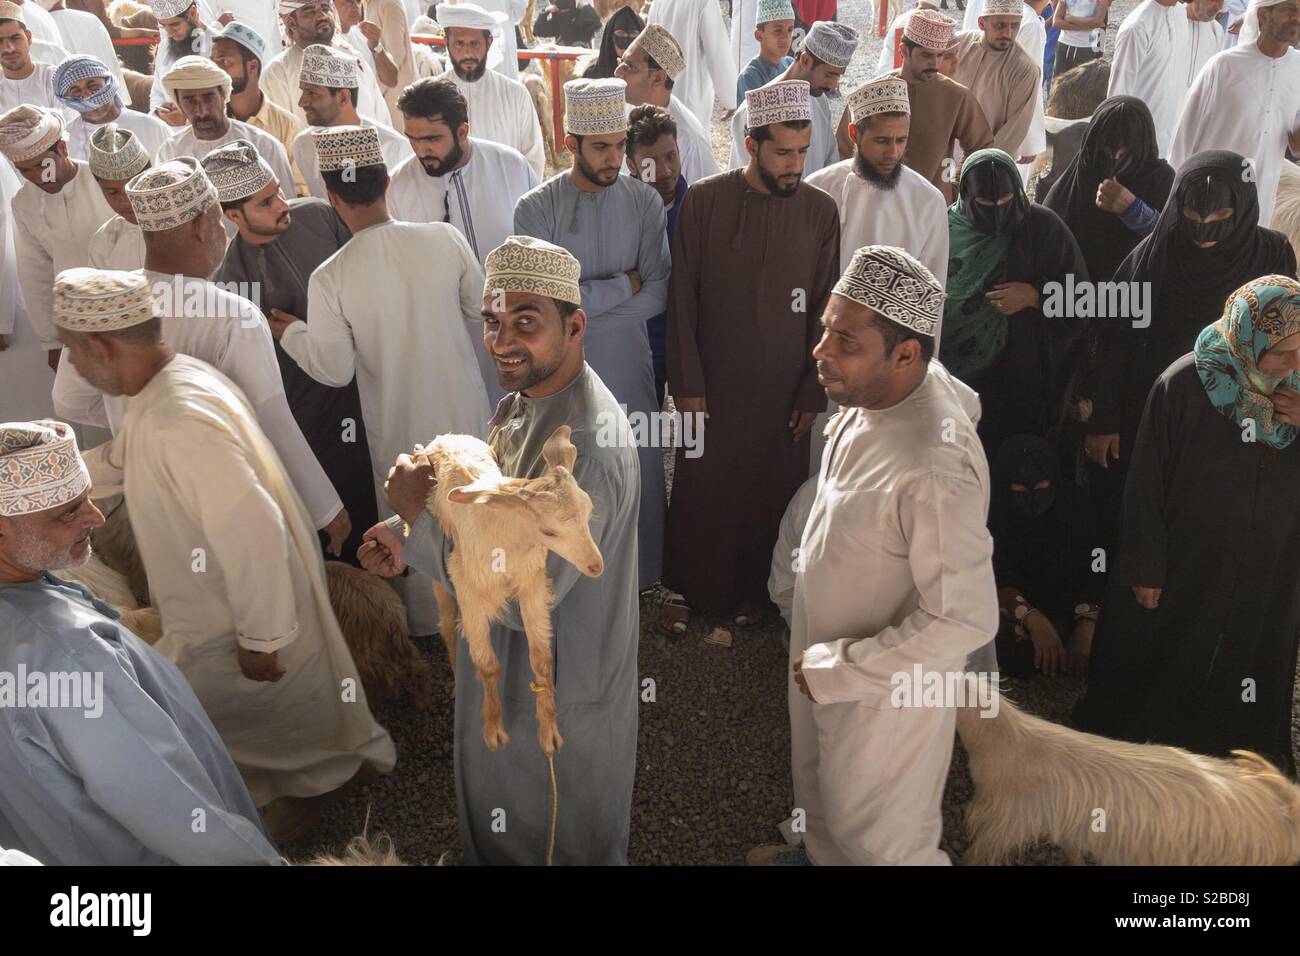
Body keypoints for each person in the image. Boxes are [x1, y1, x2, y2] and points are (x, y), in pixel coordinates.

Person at [57, 269, 396, 836]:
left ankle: (305, 803)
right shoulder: (173, 385)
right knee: (255, 725)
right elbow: (126, 457)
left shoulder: (177, 417)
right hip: (221, 607)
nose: (73, 367)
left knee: (248, 723)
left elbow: (253, 526)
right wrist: (47, 477)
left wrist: (261, 637)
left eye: (71, 352)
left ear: (100, 345)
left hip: (235, 616)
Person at [359, 235, 641, 865]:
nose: (502, 340)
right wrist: (409, 537)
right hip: (507, 675)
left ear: (575, 325)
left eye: (526, 322)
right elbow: (493, 527)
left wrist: (416, 516)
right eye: (492, 320)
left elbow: (524, 597)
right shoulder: (523, 403)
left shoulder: (582, 448)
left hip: (556, 690)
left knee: (548, 841)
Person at [748, 245, 997, 866]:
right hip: (825, 658)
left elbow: (964, 619)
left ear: (906, 353)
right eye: (825, 329)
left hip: (884, 693)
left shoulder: (936, 468)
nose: (820, 353)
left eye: (845, 342)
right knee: (821, 789)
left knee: (880, 838)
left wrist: (844, 668)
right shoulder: (886, 387)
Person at [0, 419, 282, 866]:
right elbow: (172, 807)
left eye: (88, 498)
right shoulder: (71, 655)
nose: (95, 517)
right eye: (67, 512)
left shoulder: (30, 606)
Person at [53, 158, 350, 551]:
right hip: (226, 507)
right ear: (201, 224)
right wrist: (327, 510)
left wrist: (131, 418)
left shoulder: (108, 306)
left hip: (150, 507)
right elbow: (271, 420)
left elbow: (68, 400)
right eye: (218, 220)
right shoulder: (232, 314)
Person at [267, 124, 492, 635]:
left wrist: (292, 333)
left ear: (330, 195)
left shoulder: (332, 274)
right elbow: (480, 310)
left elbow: (333, 368)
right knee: (475, 506)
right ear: (387, 182)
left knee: (410, 516)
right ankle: (487, 606)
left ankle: (428, 623)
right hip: (463, 412)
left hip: (399, 429)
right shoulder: (443, 238)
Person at [1075, 275, 1300, 776]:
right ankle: (1150, 756)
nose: (1294, 366)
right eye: (1282, 354)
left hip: (1271, 564)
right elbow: (1146, 485)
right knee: (1169, 650)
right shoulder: (1184, 386)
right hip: (1187, 557)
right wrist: (1145, 564)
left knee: (1249, 653)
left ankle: (1236, 755)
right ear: (1248, 340)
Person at [661, 79, 838, 632]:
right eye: (782, 152)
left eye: (802, 153)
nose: (794, 165)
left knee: (772, 493)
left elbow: (824, 310)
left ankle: (758, 598)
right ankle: (701, 591)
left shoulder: (820, 212)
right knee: (708, 488)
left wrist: (813, 388)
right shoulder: (705, 203)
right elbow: (681, 301)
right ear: (751, 145)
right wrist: (686, 385)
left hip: (785, 390)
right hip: (712, 387)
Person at [514, 77, 668, 588]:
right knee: (565, 473)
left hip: (628, 362)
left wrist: (577, 315)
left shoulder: (644, 202)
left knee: (637, 469)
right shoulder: (535, 208)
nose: (614, 158)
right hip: (562, 373)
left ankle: (642, 581)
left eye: (621, 146)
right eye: (601, 147)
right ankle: (564, 587)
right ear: (569, 144)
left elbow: (658, 293)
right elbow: (538, 305)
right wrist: (621, 285)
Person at [206, 140, 378, 566]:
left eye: (279, 191)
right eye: (267, 202)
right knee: (337, 527)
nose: (283, 204)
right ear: (233, 216)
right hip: (308, 414)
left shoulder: (318, 215)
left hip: (368, 386)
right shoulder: (231, 279)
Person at [1083, 151, 1296, 476]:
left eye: (1219, 217)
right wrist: (1104, 420)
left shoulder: (1271, 255)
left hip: (1239, 415)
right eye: (1192, 215)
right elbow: (1115, 338)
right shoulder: (1155, 257)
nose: (1203, 231)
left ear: (1243, 208)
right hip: (1154, 404)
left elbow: (1289, 340)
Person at [941, 148, 1087, 453]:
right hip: (947, 377)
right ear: (965, 195)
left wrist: (1036, 296)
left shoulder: (1042, 228)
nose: (997, 211)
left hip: (1015, 376)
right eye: (984, 203)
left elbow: (1084, 300)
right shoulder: (942, 230)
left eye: (1006, 202)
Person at [388, 76, 538, 294]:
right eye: (413, 139)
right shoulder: (397, 187)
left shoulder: (511, 167)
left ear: (462, 132)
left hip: (510, 315)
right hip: (440, 321)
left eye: (432, 139)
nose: (421, 151)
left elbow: (541, 244)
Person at [0, 105, 114, 367]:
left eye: (42, 165)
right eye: (24, 171)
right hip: (77, 321)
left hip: (130, 310)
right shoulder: (24, 203)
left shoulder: (105, 181)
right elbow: (35, 274)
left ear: (62, 149)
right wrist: (51, 341)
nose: (37, 177)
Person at [1169, 0, 1300, 225]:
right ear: (1263, 16)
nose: (1297, 17)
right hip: (1210, 200)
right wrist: (1173, 200)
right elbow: (1185, 137)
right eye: (1289, 9)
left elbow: (1295, 146)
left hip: (1260, 203)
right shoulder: (1224, 66)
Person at [808, 75, 949, 283]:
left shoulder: (928, 201)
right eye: (882, 141)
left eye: (901, 140)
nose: (893, 152)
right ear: (854, 134)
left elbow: (931, 292)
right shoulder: (818, 189)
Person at [988, 434, 1102, 677]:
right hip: (1012, 610)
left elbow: (1099, 562)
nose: (1031, 499)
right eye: (1018, 490)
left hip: (1072, 606)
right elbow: (989, 575)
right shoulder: (992, 515)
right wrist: (1029, 616)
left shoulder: (1078, 508)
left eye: (1041, 488)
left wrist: (1088, 622)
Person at [1042, 95, 1174, 282]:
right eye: (1105, 152)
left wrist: (1134, 210)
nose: (1114, 161)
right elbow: (1046, 236)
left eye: (1125, 153)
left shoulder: (1160, 180)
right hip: (1070, 294)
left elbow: (1176, 244)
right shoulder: (1083, 173)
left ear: (1142, 148)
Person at [154, 56, 297, 215]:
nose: (202, 111)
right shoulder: (170, 153)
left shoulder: (264, 145)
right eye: (189, 101)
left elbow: (286, 209)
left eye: (209, 98)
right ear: (179, 104)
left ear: (223, 96)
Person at [728, 20, 859, 176]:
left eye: (837, 76)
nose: (832, 86)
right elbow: (746, 179)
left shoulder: (819, 100)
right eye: (828, 75)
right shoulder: (751, 111)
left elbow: (830, 161)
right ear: (805, 60)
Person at [886, 10, 993, 201]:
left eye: (940, 55)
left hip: (933, 205)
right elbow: (846, 149)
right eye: (926, 55)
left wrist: (956, 188)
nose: (935, 64)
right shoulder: (878, 91)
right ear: (903, 50)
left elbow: (981, 147)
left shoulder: (955, 95)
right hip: (882, 202)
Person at [434, 2, 545, 179]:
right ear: (446, 43)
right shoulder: (431, 96)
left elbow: (533, 160)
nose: (467, 53)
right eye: (459, 44)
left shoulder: (515, 94)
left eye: (474, 44)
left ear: (489, 42)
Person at [292, 43, 412, 199]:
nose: (302, 102)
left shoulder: (393, 146)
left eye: (312, 93)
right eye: (303, 92)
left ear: (343, 97)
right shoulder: (304, 144)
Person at [625, 103, 685, 406]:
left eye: (671, 157)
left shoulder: (698, 209)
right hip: (639, 348)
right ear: (631, 165)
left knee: (695, 434)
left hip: (688, 344)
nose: (665, 171)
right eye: (650, 162)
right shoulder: (618, 214)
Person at [210, 21, 310, 198]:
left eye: (224, 62)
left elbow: (300, 192)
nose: (216, 71)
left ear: (252, 67)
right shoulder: (207, 121)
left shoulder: (287, 125)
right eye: (213, 63)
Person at [615, 22, 717, 185]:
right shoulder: (627, 108)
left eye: (630, 67)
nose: (618, 72)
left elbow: (702, 202)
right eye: (620, 62)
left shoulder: (688, 139)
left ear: (658, 78)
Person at [262, 0, 389, 128]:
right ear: (291, 23)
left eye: (325, 8)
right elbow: (282, 134)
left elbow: (382, 119)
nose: (322, 16)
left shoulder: (354, 58)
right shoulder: (278, 71)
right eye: (310, 12)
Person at [951, 0, 1041, 163]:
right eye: (1000, 25)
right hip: (944, 155)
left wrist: (976, 168)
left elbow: (1011, 134)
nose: (1008, 33)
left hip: (982, 165)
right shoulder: (957, 45)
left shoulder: (1024, 70)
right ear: (981, 23)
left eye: (1014, 25)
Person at [1108, 0, 1199, 156]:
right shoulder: (1137, 27)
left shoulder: (1179, 13)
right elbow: (1117, 97)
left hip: (1168, 140)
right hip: (1137, 147)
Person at [54, 55, 169, 162]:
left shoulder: (151, 127)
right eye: (76, 91)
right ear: (66, 99)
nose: (87, 95)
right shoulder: (66, 139)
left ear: (109, 83)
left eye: (93, 86)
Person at [646, 0, 737, 125]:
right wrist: (731, 98)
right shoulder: (704, 2)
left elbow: (649, 49)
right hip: (691, 93)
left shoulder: (658, 3)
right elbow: (716, 49)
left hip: (661, 92)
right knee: (693, 136)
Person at [86, 123, 149, 270]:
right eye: (113, 192)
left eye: (132, 187)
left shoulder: (181, 228)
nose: (126, 200)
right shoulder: (103, 243)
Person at [146, 0, 214, 124]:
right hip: (170, 133)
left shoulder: (219, 46)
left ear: (193, 13)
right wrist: (160, 113)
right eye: (163, 26)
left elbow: (230, 99)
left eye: (174, 25)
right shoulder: (164, 47)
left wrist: (188, 116)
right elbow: (157, 92)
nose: (169, 33)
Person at [0, 1, 70, 117]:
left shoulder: (55, 80)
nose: (9, 48)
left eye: (15, 38)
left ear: (28, 37)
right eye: (0, 41)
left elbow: (73, 126)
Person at [735, 0, 796, 102]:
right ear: (759, 35)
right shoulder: (749, 76)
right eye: (778, 31)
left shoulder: (790, 64)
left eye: (790, 30)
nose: (786, 37)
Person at [876, 0, 941, 76]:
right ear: (936, 11)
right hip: (892, 72)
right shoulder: (912, 22)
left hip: (887, 69)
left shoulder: (903, 18)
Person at [583, 3, 642, 78]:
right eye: (621, 34)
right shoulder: (591, 76)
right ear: (610, 39)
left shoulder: (651, 78)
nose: (626, 41)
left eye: (633, 34)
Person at [1051, 0, 1108, 77]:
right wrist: (1086, 26)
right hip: (1065, 44)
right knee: (1059, 82)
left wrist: (1071, 19)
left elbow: (1097, 22)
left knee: (1083, 83)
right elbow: (1056, 22)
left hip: (1087, 46)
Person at [532, 0, 601, 48]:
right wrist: (545, 11)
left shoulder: (582, 19)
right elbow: (537, 31)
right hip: (562, 60)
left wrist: (584, 6)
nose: (563, 12)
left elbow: (597, 24)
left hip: (580, 59)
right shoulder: (557, 20)